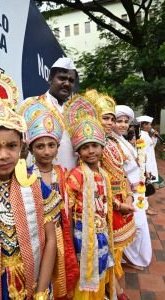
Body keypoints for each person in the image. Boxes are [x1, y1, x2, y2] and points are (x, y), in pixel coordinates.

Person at [0, 70, 56, 300]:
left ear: (21, 146)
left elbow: (51, 240)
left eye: (11, 146)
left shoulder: (35, 186)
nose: (4, 155)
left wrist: (42, 291)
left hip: (33, 284)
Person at [19, 97, 79, 300]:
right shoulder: (24, 176)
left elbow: (69, 209)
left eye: (51, 145)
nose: (46, 151)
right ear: (31, 149)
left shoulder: (63, 174)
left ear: (57, 146)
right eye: (40, 146)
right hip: (35, 237)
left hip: (60, 236)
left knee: (61, 278)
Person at [85, 90, 135, 300]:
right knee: (106, 251)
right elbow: (96, 179)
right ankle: (113, 290)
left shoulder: (113, 141)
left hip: (124, 200)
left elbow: (122, 173)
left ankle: (113, 288)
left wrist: (130, 197)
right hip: (109, 204)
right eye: (106, 117)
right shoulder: (92, 145)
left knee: (116, 252)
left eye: (112, 118)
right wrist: (117, 203)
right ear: (96, 116)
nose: (110, 122)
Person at [64, 94, 115, 300]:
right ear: (78, 151)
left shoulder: (104, 174)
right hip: (82, 234)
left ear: (103, 147)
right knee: (84, 269)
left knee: (100, 266)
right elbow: (67, 211)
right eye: (85, 147)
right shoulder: (76, 176)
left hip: (101, 229)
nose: (91, 151)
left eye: (95, 145)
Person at [113, 105, 152, 270]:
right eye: (118, 121)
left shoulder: (122, 139)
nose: (123, 125)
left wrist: (144, 174)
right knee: (135, 225)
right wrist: (131, 186)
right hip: (128, 191)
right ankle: (128, 257)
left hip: (138, 189)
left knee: (139, 225)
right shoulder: (111, 142)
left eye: (125, 122)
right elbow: (117, 171)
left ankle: (131, 257)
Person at [26, 57, 78, 170]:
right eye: (62, 78)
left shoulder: (74, 113)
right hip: (38, 178)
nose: (67, 84)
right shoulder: (32, 105)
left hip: (72, 178)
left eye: (71, 81)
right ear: (50, 79)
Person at [136, 115, 158, 182]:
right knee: (146, 179)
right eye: (149, 124)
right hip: (146, 160)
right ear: (144, 125)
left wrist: (154, 137)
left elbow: (151, 146)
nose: (151, 126)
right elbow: (142, 151)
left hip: (150, 158)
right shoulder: (142, 135)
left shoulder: (146, 134)